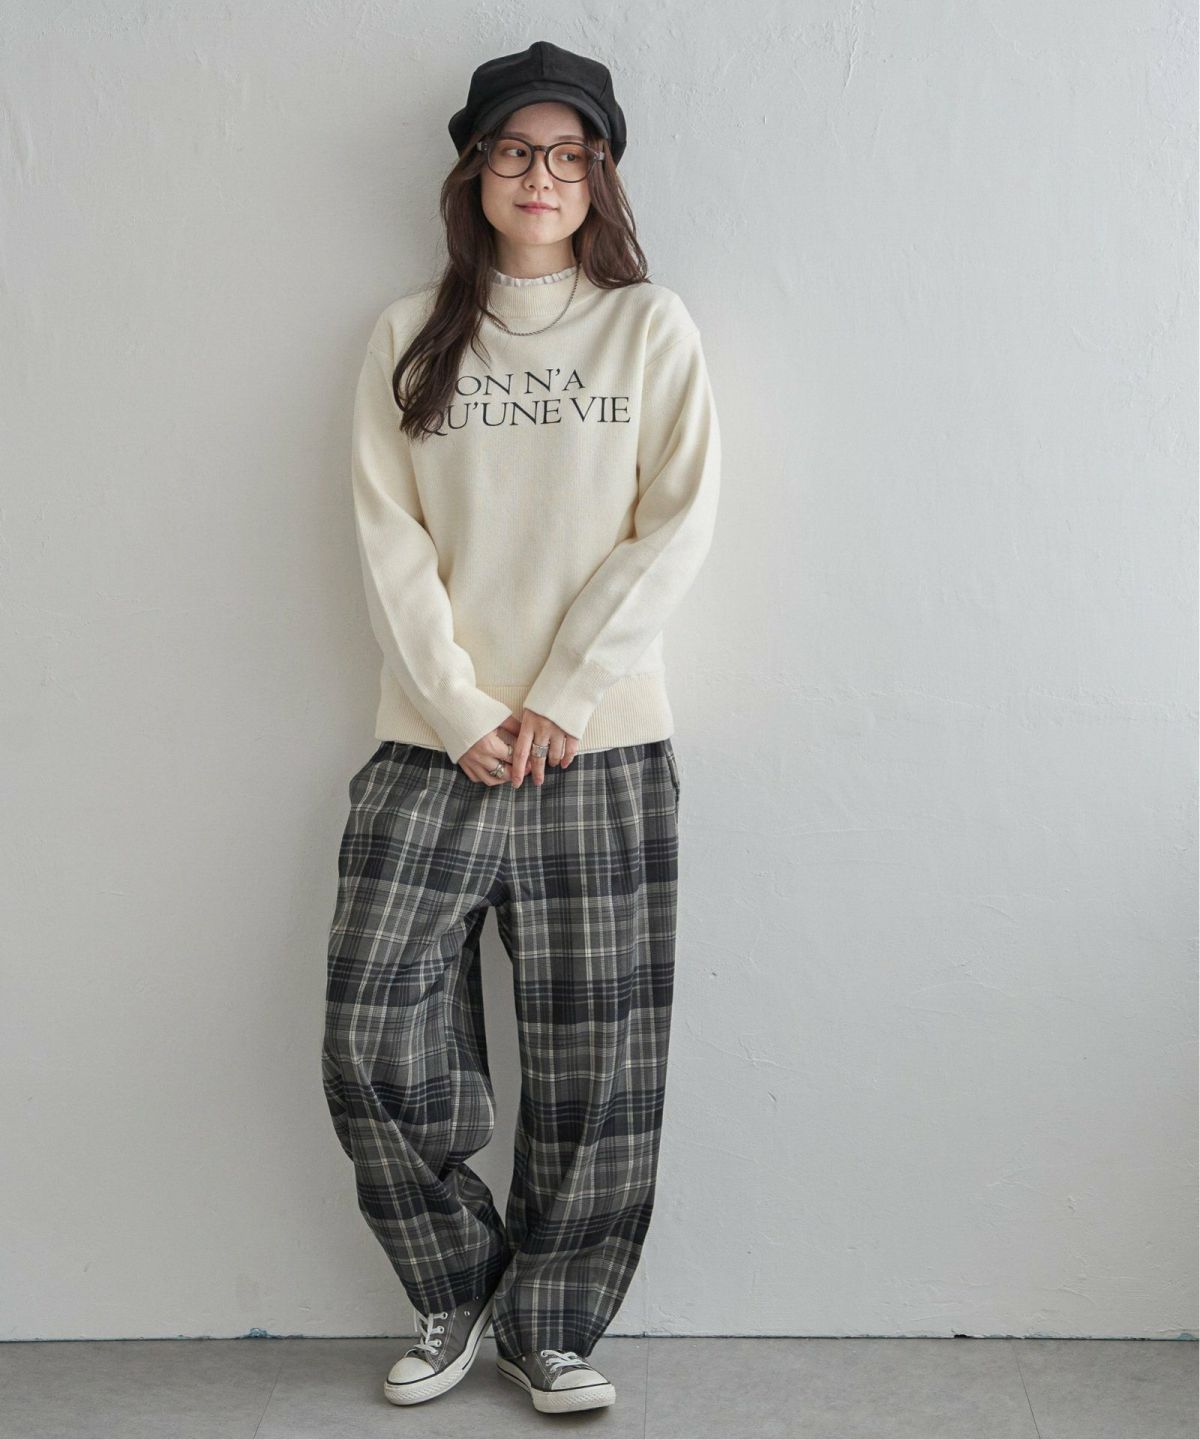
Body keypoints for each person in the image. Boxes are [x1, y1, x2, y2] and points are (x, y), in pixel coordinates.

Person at [321, 39, 721, 1417]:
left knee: (596, 1059)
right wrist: (462, 709)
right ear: (474, 170)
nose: (538, 175)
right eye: (512, 150)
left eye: (566, 153)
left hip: (598, 747)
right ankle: (457, 1287)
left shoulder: (648, 329)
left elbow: (673, 528)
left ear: (597, 174)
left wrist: (561, 697)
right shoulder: (407, 334)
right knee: (371, 1029)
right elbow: (388, 542)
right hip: (432, 745)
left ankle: (551, 1326)